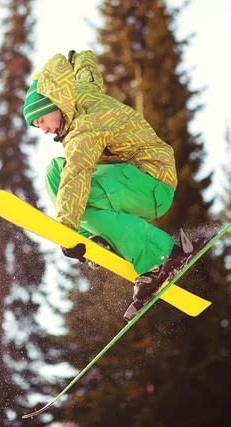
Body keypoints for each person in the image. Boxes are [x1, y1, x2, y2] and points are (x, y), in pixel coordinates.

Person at [22, 50, 199, 322]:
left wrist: (67, 230)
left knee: (75, 188)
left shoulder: (84, 127)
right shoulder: (79, 92)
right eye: (37, 126)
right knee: (54, 170)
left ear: (53, 104)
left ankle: (160, 256)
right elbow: (88, 75)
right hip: (129, 180)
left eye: (42, 120)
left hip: (151, 182)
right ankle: (96, 235)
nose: (43, 130)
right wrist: (78, 59)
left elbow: (78, 173)